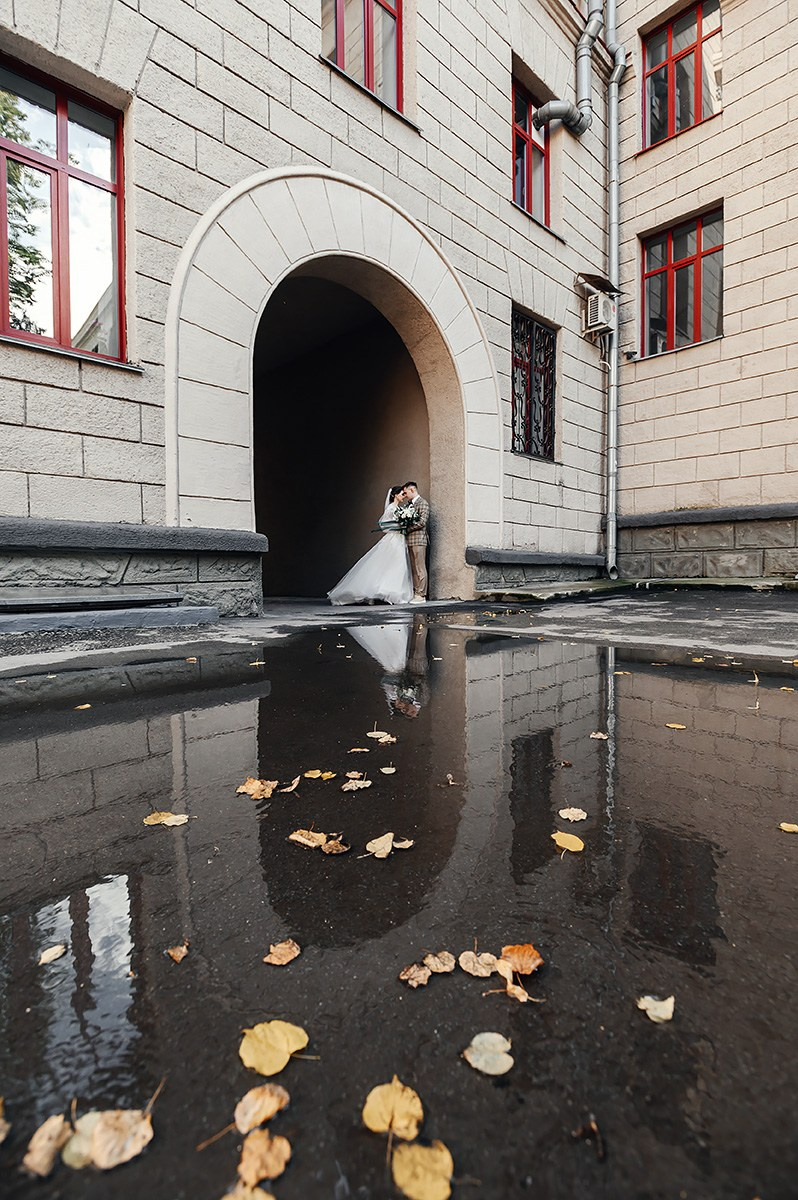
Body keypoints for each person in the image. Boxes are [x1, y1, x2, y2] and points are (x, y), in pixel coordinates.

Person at [328, 486, 414, 606]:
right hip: (393, 539)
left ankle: (392, 591)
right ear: (395, 495)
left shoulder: (399, 509)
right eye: (401, 494)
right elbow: (384, 526)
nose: (403, 496)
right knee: (393, 564)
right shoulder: (391, 508)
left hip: (399, 539)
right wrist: (401, 526)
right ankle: (384, 592)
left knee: (397, 565)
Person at [402, 481, 430, 603]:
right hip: (409, 540)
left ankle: (421, 594)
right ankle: (415, 592)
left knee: (420, 568)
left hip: (419, 540)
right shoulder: (408, 505)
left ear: (412, 490)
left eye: (406, 492)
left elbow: (422, 522)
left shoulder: (423, 503)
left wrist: (407, 529)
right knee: (413, 568)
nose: (405, 495)